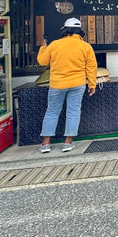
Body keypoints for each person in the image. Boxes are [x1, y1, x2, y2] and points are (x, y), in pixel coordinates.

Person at [37, 17, 97, 153]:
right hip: (78, 83)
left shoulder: (54, 45)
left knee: (52, 112)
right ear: (80, 31)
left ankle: (46, 144)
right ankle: (68, 142)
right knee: (73, 112)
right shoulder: (85, 46)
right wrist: (92, 84)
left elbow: (42, 61)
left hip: (57, 84)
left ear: (65, 30)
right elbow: (91, 67)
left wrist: (43, 47)